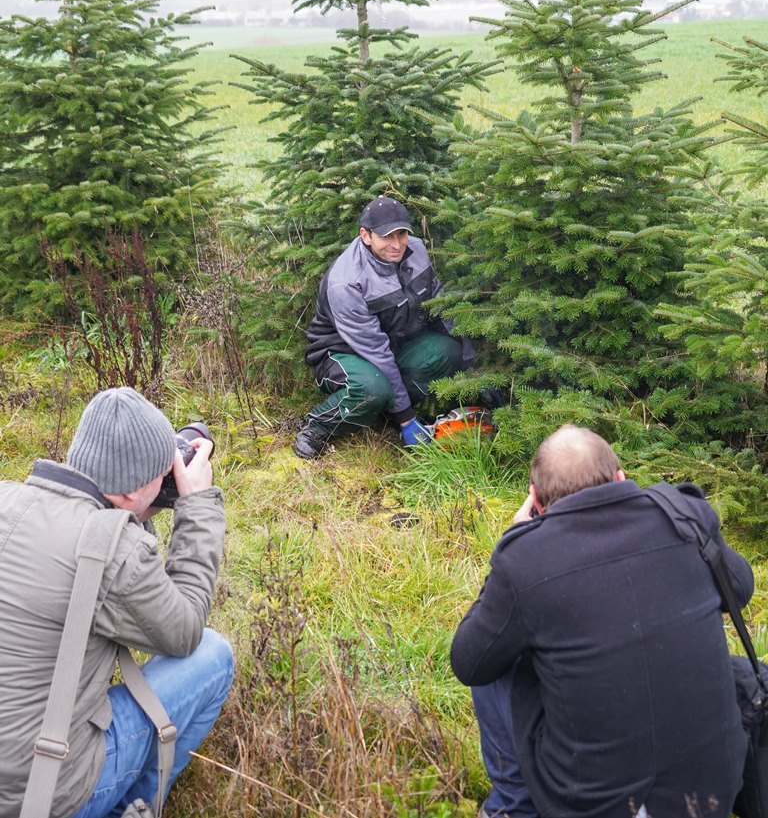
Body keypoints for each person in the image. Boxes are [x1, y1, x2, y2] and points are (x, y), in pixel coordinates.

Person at [451, 424, 752, 818]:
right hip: (713, 794)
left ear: (536, 501)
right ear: (621, 478)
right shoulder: (685, 516)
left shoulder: (526, 558)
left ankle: (512, 808)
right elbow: (740, 589)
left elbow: (469, 663)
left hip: (592, 806)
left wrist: (513, 541)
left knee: (500, 657)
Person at [0, 387, 234, 818]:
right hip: (43, 797)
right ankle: (129, 807)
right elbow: (182, 631)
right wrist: (196, 505)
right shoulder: (115, 552)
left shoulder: (7, 498)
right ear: (131, 493)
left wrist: (136, 516)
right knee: (212, 656)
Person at [293, 195, 473, 459]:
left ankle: (384, 412)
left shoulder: (418, 251)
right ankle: (318, 427)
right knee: (372, 389)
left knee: (447, 351)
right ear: (366, 235)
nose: (397, 244)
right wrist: (407, 418)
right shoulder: (346, 282)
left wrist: (472, 368)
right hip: (344, 354)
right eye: (387, 237)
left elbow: (440, 307)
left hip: (396, 345)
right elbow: (376, 351)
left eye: (402, 234)